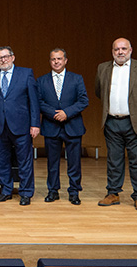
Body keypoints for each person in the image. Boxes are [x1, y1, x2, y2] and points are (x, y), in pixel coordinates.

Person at [95, 37, 137, 212]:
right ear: (112, 52)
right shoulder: (103, 68)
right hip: (112, 122)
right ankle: (113, 193)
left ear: (130, 50)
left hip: (135, 122)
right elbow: (99, 91)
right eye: (116, 49)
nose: (120, 52)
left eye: (123, 49)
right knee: (114, 161)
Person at [0, 46, 40, 206]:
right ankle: (6, 190)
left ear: (13, 57)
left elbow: (34, 102)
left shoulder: (26, 74)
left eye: (6, 56)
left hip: (21, 126)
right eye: (0, 58)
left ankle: (25, 192)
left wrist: (35, 124)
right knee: (2, 161)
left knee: (24, 161)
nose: (3, 60)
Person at [37, 48, 89, 205]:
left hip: (72, 126)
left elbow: (83, 100)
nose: (56, 62)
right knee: (52, 163)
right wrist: (55, 113)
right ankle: (53, 191)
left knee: (74, 163)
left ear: (65, 60)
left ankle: (74, 192)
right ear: (50, 61)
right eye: (53, 59)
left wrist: (66, 113)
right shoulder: (41, 80)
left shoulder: (76, 79)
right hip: (51, 126)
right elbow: (39, 102)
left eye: (59, 59)